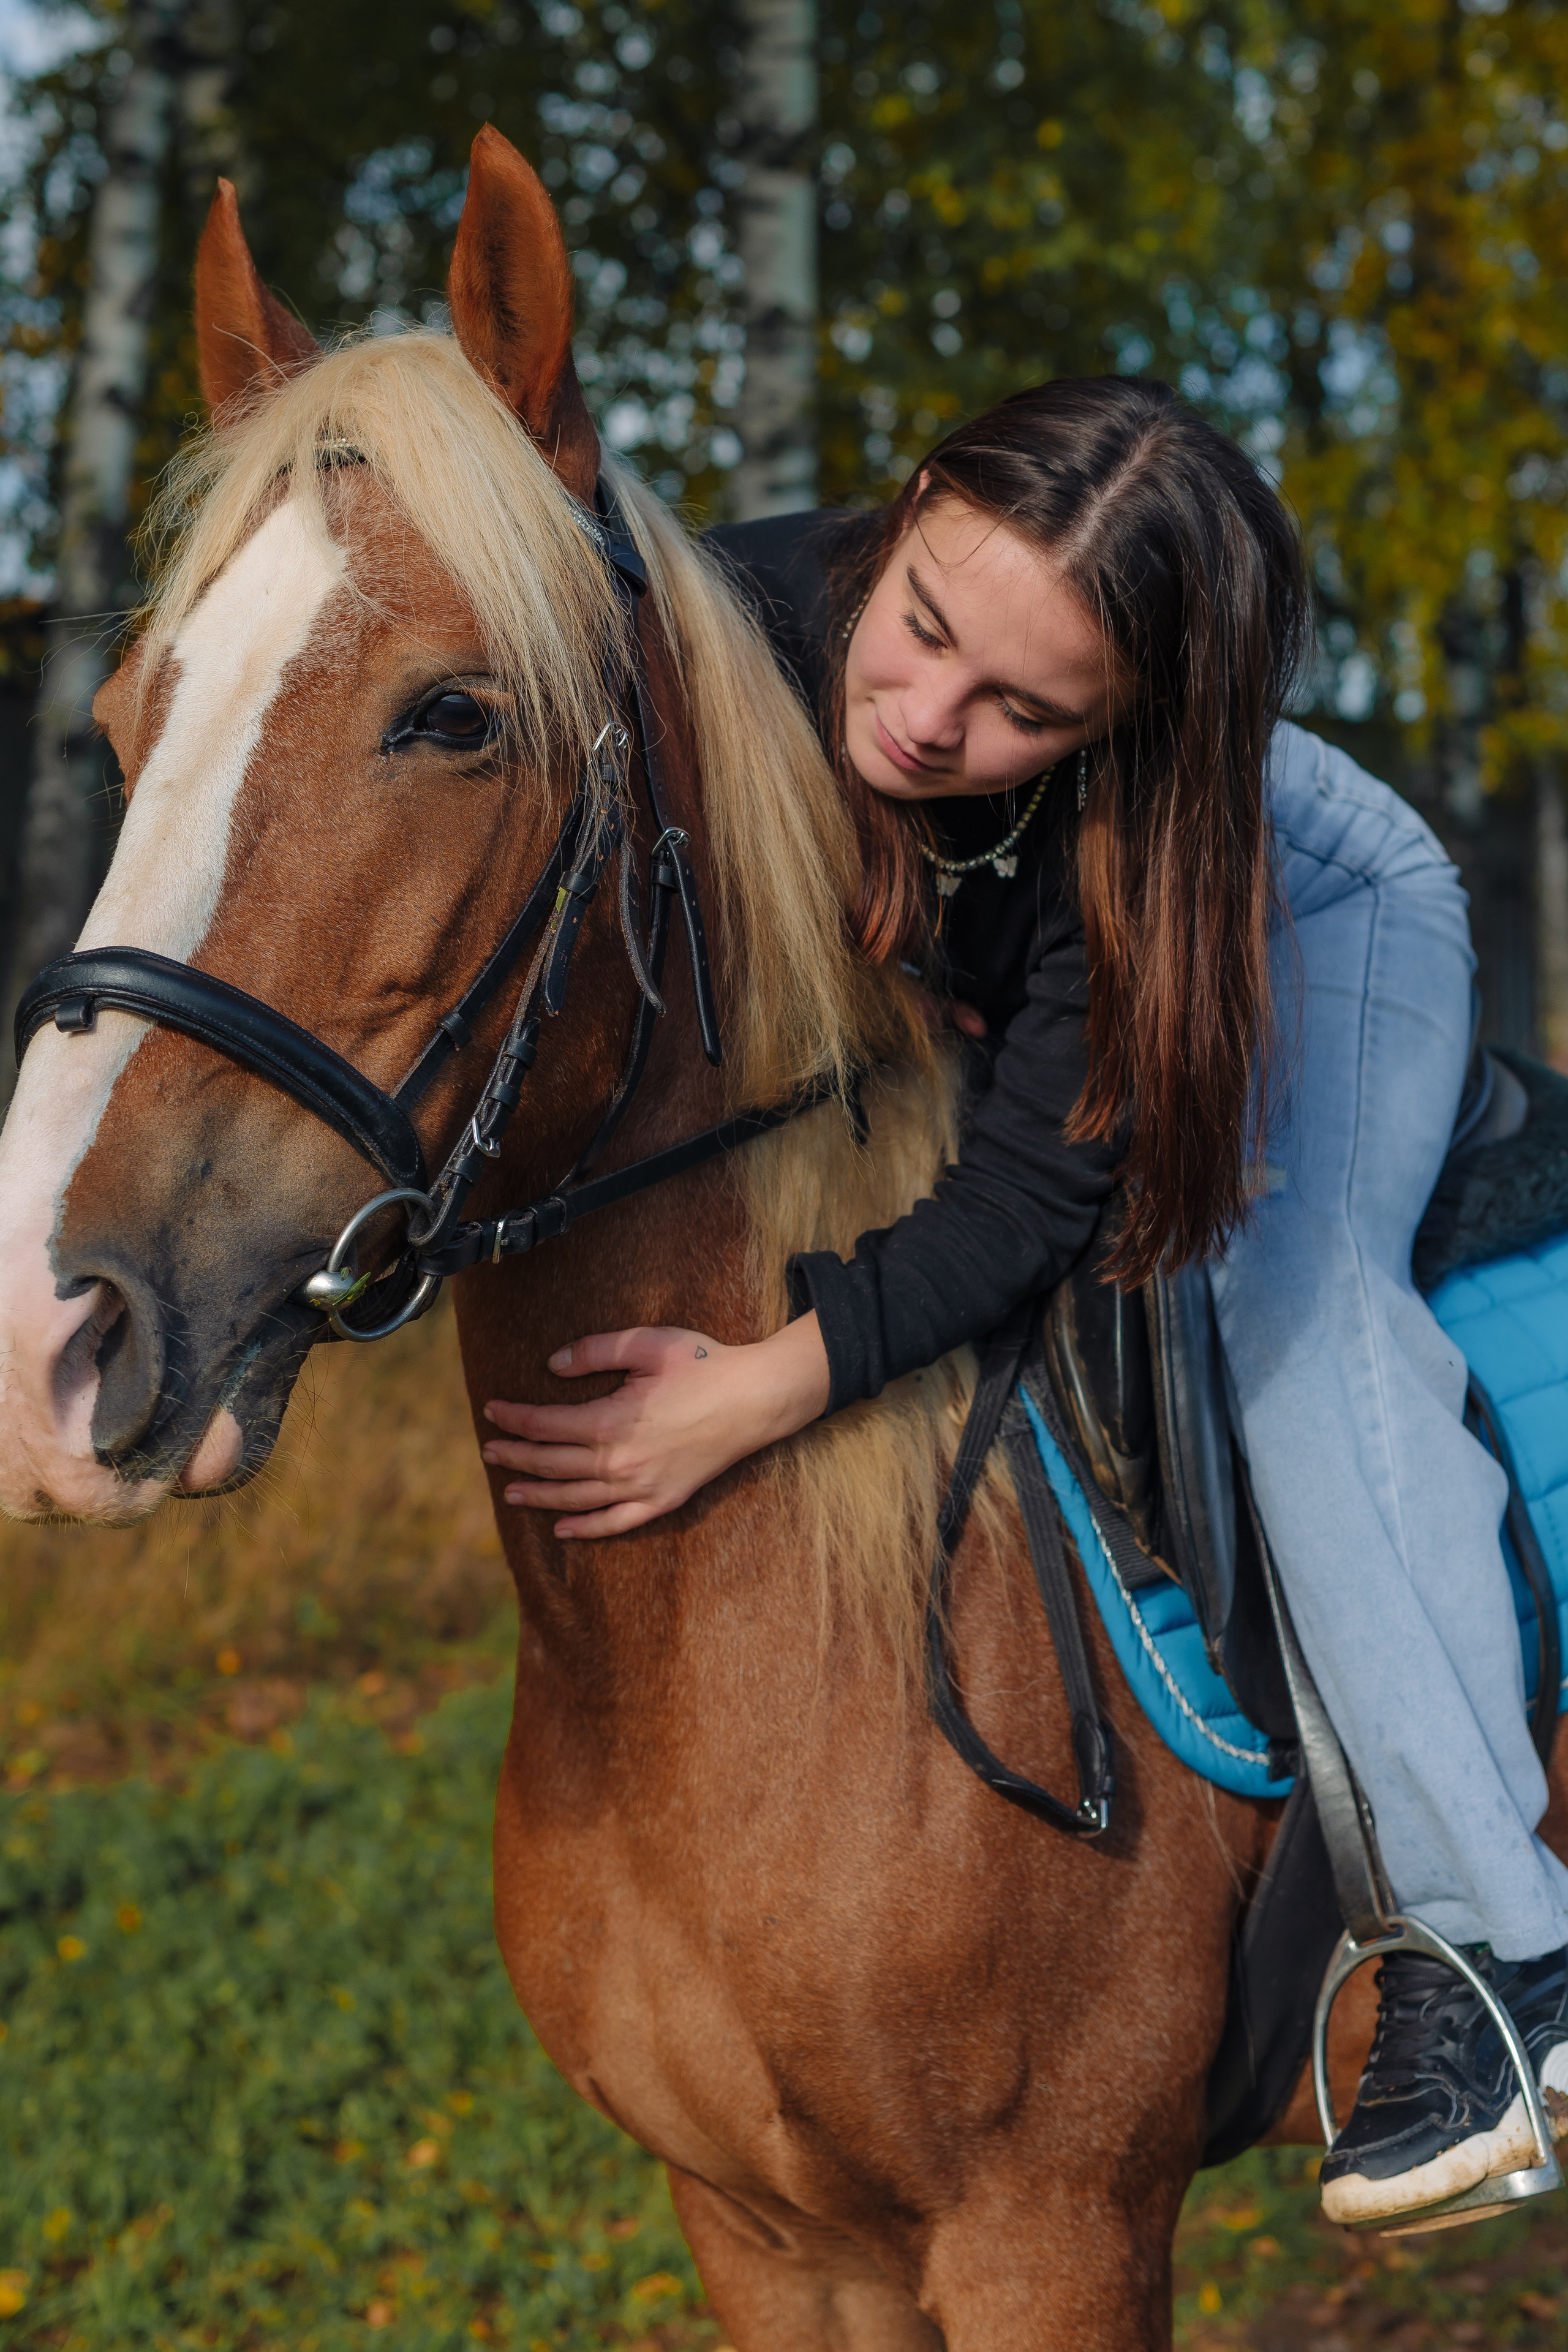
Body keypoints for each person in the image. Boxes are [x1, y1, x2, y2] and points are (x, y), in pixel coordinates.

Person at [481, 378, 1568, 2227]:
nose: (919, 721)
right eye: (922, 631)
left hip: (1325, 909)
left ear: (1121, 722)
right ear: (902, 518)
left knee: (1301, 1311)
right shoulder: (736, 612)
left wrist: (760, 1386)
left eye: (1023, 712)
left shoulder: (1145, 833)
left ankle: (1498, 1961)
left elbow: (1040, 1193)